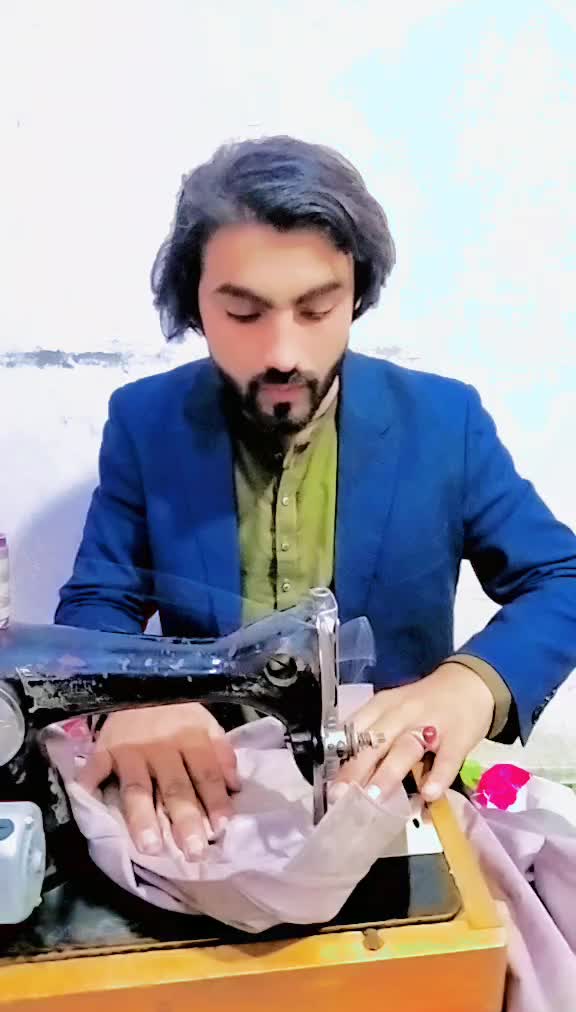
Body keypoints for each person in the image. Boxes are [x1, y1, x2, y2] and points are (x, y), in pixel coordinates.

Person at [56, 136, 576, 863]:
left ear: (356, 294)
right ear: (195, 304)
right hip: (207, 799)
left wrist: (470, 686)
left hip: (396, 791)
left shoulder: (444, 423)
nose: (283, 354)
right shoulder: (146, 423)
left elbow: (561, 577)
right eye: (243, 314)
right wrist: (130, 699)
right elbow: (97, 602)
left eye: (316, 309)